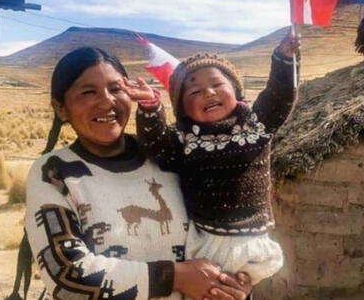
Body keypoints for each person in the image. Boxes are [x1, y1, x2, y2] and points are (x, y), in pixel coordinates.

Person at [23, 47, 252, 300]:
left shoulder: (171, 156)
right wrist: (176, 277)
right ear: (61, 108)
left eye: (116, 89)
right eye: (88, 92)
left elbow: (222, 225)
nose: (107, 101)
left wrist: (231, 282)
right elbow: (66, 274)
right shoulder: (55, 172)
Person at [122, 33, 299, 288]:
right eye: (194, 91)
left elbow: (279, 96)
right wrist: (150, 108)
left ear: (235, 91)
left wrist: (284, 58)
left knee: (235, 289)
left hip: (250, 241)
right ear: (182, 107)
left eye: (217, 84)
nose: (208, 92)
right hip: (204, 239)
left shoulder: (255, 126)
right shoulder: (184, 140)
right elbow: (155, 145)